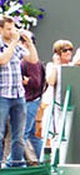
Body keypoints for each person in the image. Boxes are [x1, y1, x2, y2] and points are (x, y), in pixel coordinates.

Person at [0, 15, 39, 167]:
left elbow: (33, 60)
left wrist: (29, 43)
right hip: (2, 94)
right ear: (1, 29)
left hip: (18, 95)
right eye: (8, 29)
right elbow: (3, 60)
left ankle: (16, 162)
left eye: (13, 28)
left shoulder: (15, 46)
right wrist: (15, 41)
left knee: (20, 134)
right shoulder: (7, 46)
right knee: (1, 133)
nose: (12, 32)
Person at [20, 31, 45, 164]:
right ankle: (37, 160)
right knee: (30, 134)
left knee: (22, 133)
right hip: (30, 100)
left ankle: (21, 162)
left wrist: (25, 81)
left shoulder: (30, 62)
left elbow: (36, 82)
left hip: (29, 101)